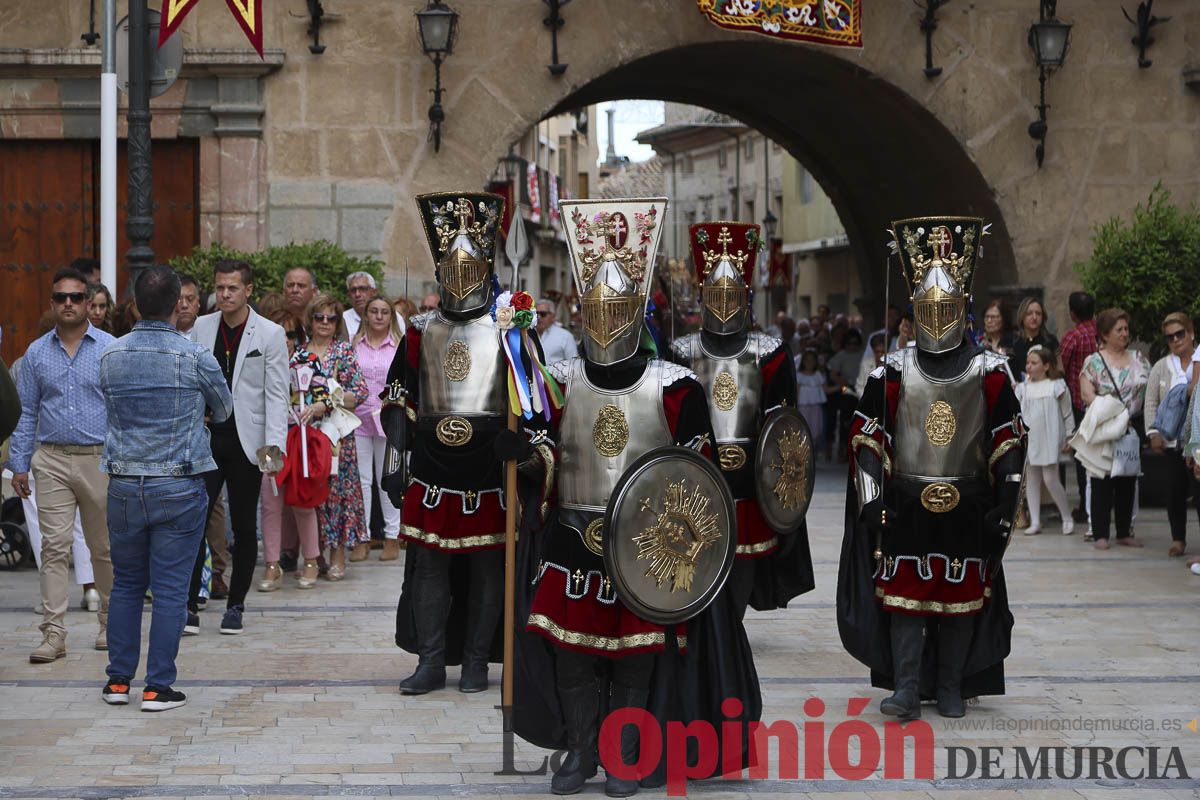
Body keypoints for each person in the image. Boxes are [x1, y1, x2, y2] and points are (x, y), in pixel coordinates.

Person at [517, 199, 760, 795]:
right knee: (573, 651)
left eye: (616, 307)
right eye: (595, 308)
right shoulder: (561, 380)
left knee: (635, 653)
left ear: (637, 310)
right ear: (581, 310)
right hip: (574, 536)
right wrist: (522, 456)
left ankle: (624, 754)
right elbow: (549, 456)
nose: (605, 317)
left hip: (647, 551)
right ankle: (578, 753)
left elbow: (701, 481)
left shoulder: (676, 387)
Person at [839, 216, 1025, 721]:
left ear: (962, 309)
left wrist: (1006, 503)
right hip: (905, 502)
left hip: (968, 501)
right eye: (929, 307)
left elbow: (1008, 439)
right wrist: (873, 498)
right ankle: (906, 685)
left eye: (947, 307)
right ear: (916, 310)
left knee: (961, 595)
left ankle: (950, 685)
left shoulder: (988, 371)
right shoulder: (894, 370)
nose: (938, 316)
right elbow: (868, 438)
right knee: (906, 596)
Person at [386, 192, 528, 695]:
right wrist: (396, 456)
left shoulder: (507, 329)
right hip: (431, 463)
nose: (462, 278)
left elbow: (528, 400)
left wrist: (521, 446)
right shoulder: (421, 331)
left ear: (488, 268)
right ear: (441, 271)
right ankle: (430, 659)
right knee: (430, 563)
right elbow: (399, 394)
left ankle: (475, 661)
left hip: (488, 466)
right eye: (453, 268)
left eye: (472, 269)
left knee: (489, 563)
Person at [98, 265, 233, 711]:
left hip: (123, 481)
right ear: (179, 303)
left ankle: (118, 681)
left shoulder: (111, 354)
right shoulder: (194, 356)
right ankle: (157, 686)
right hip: (177, 481)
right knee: (172, 590)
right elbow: (225, 408)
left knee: (126, 585)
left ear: (135, 303)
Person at [670, 220, 814, 619]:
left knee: (741, 567)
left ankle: (731, 627)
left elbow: (784, 429)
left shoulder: (769, 352)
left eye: (731, 294)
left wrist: (783, 501)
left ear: (745, 296)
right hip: (699, 478)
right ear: (702, 295)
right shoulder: (680, 352)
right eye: (715, 294)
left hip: (751, 481)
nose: (723, 302)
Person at [7, 266, 115, 662]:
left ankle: (109, 622)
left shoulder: (108, 347)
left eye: (75, 297)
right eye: (60, 298)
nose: (67, 304)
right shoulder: (36, 352)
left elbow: (120, 409)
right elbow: (26, 412)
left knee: (103, 548)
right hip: (50, 459)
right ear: (51, 304)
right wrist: (20, 463)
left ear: (89, 303)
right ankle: (53, 634)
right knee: (53, 548)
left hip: (98, 459)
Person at [187, 259, 289, 634]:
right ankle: (190, 604)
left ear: (248, 290)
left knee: (245, 526)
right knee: (194, 522)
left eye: (232, 288)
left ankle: (236, 605)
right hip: (207, 439)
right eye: (220, 288)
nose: (224, 295)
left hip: (248, 441)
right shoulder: (201, 327)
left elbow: (276, 395)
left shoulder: (270, 333)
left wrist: (273, 448)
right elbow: (191, 382)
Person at [258, 309, 326, 592]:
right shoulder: (259, 359)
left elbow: (325, 397)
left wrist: (317, 407)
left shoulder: (308, 361)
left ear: (296, 336)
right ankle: (272, 565)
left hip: (299, 439)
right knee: (270, 500)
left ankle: (310, 559)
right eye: (279, 332)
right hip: (269, 441)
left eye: (289, 334)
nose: (284, 339)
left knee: (302, 499)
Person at [305, 293, 370, 578]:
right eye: (319, 317)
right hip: (306, 433)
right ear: (310, 320)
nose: (325, 323)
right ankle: (313, 553)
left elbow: (360, 392)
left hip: (338, 436)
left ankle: (338, 554)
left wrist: (328, 401)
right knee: (311, 494)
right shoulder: (299, 352)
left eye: (331, 318)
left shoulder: (343, 351)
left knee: (338, 494)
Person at [1078, 308, 1150, 550]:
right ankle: (1100, 533)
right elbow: (1087, 395)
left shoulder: (1138, 358)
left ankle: (1123, 530)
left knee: (1127, 478)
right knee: (1102, 481)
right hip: (1105, 429)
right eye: (1119, 329)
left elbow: (1148, 392)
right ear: (1105, 334)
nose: (1124, 333)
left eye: (1126, 329)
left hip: (1130, 428)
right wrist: (1114, 412)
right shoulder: (1094, 362)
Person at [352, 295, 405, 561]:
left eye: (385, 312)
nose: (379, 316)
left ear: (391, 317)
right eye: (374, 311)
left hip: (387, 419)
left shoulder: (397, 345)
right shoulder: (354, 344)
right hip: (359, 418)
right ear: (366, 315)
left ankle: (392, 537)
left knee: (387, 479)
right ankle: (361, 537)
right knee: (362, 481)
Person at [1145, 312, 1197, 557]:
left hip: (1195, 440)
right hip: (1171, 439)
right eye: (1170, 337)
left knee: (1198, 492)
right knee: (1174, 490)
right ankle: (1178, 538)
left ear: (1191, 333)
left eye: (1180, 334)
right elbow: (1151, 401)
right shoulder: (1161, 366)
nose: (1175, 340)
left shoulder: (1198, 360)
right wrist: (1153, 432)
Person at [1016, 346, 1075, 535]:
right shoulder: (1023, 388)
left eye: (1034, 363)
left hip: (1049, 438)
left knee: (1050, 479)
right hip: (1030, 438)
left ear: (1046, 365)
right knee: (1031, 480)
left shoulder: (1056, 386)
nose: (1029, 366)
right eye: (1028, 363)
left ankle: (1066, 516)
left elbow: (1067, 412)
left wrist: (1069, 434)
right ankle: (1035, 521)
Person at [1058, 291, 1098, 525]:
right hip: (1101, 404)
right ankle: (1100, 504)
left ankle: (1085, 506)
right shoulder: (1101, 333)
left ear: (1072, 313)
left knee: (1082, 458)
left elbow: (1060, 365)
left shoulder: (1071, 337)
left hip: (1078, 403)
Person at [1009, 297, 1058, 382]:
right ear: (1022, 316)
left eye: (1038, 313)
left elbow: (1058, 370)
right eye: (1029, 313)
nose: (1034, 317)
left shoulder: (1050, 341)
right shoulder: (1013, 341)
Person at [796, 348, 828, 451]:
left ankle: (812, 451)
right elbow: (797, 391)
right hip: (803, 406)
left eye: (812, 360)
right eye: (807, 360)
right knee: (802, 428)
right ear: (803, 361)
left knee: (815, 429)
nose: (809, 363)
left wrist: (840, 386)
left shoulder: (818, 375)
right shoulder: (799, 375)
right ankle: (802, 452)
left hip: (816, 406)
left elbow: (825, 389)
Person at [535, 298, 577, 364]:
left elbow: (573, 364)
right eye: (536, 314)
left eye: (543, 314)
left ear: (553, 316)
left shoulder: (566, 336)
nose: (538, 317)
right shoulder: (527, 334)